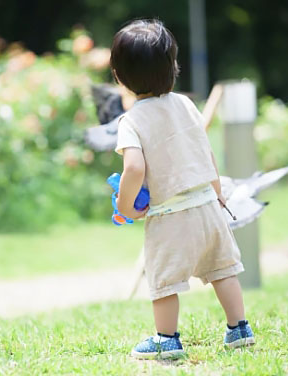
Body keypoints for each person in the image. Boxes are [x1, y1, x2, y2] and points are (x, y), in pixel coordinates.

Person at [111, 19, 255, 359]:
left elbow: (133, 168)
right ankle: (239, 328)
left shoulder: (130, 121)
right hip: (207, 204)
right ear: (173, 67)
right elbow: (206, 153)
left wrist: (124, 204)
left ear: (119, 76)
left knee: (163, 281)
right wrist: (218, 194)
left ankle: (166, 338)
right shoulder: (186, 105)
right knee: (223, 270)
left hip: (169, 216)